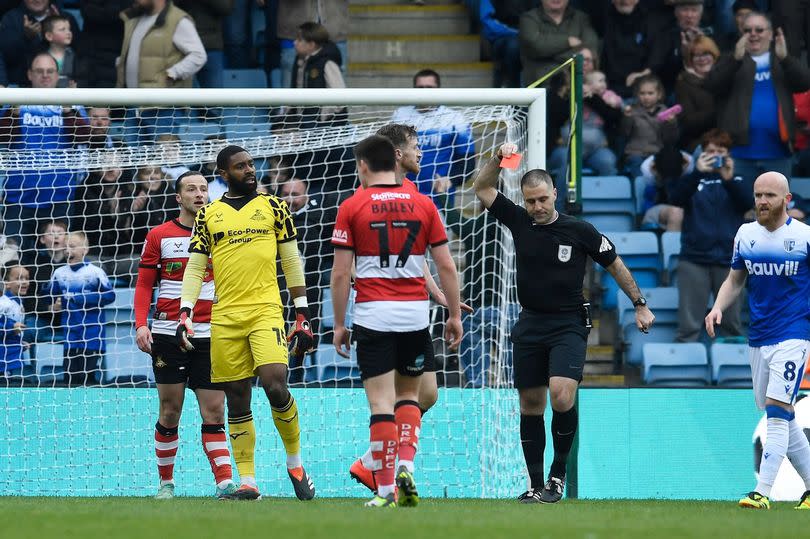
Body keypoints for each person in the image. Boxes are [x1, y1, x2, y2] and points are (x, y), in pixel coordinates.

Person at [472, 142, 655, 503]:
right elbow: (482, 187)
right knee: (530, 403)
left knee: (560, 393)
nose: (537, 207)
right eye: (530, 201)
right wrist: (498, 159)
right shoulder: (519, 220)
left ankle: (557, 477)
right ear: (523, 200)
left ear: (554, 194)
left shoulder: (581, 230)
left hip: (569, 322)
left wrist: (639, 304)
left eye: (542, 199)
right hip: (530, 323)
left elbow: (614, 264)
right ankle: (535, 484)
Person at [331, 134, 463, 507]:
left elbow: (341, 274)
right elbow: (446, 266)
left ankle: (386, 489)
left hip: (374, 315)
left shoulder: (353, 205)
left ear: (363, 165)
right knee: (409, 396)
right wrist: (452, 313)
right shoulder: (423, 204)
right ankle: (406, 465)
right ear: (396, 160)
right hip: (414, 316)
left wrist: (340, 324)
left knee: (381, 404)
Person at [179, 145, 316, 501]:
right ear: (224, 173)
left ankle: (295, 462)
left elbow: (290, 260)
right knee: (237, 399)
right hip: (225, 316)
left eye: (252, 165)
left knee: (274, 382)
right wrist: (185, 311)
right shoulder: (208, 214)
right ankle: (248, 481)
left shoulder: (275, 207)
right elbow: (195, 266)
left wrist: (302, 311)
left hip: (266, 311)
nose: (250, 170)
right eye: (241, 166)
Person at [705, 171, 810, 510]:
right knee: (780, 411)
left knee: (778, 410)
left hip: (794, 333)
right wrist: (718, 308)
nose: (763, 201)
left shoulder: (805, 238)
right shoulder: (746, 234)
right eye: (758, 195)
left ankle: (761, 492)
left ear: (787, 200)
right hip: (759, 336)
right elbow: (735, 280)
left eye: (770, 196)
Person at [134, 171, 236, 500]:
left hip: (212, 333)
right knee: (170, 410)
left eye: (203, 188)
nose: (198, 193)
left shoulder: (223, 234)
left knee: (215, 410)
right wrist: (140, 324)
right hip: (167, 333)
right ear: (179, 197)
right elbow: (145, 284)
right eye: (191, 189)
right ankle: (166, 483)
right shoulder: (159, 235)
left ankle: (224, 482)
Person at [0, 52, 89, 256]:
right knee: (13, 257)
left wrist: (68, 109)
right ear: (30, 74)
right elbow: (3, 136)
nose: (45, 76)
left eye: (50, 71)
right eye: (39, 71)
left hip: (59, 196)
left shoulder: (72, 101)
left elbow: (84, 137)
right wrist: (13, 111)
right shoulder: (15, 99)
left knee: (57, 258)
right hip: (18, 196)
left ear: (58, 75)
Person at [704, 11, 810, 181]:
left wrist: (786, 59)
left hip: (778, 153)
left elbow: (805, 83)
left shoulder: (782, 61)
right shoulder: (728, 59)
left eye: (759, 30)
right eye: (748, 30)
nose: (753, 34)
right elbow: (712, 86)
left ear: (771, 34)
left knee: (775, 207)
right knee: (741, 207)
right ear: (741, 33)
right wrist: (735, 60)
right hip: (737, 154)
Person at [668, 128, 749, 341]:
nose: (716, 156)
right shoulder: (691, 178)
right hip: (694, 258)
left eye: (720, 151)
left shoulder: (738, 178)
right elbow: (675, 198)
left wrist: (729, 180)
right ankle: (687, 371)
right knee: (688, 327)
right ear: (702, 153)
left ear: (728, 154)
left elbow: (748, 204)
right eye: (710, 151)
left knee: (732, 324)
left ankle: (732, 371)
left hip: (730, 261)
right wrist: (697, 173)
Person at [391, 69, 475, 209]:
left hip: (440, 197)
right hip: (404, 195)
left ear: (438, 89)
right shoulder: (400, 116)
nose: (425, 92)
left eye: (429, 88)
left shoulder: (455, 119)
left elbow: (468, 161)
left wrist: (451, 180)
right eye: (420, 88)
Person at [46, 231, 115, 386]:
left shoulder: (95, 272)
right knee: (70, 377)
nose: (68, 250)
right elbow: (48, 295)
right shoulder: (59, 273)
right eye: (66, 247)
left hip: (91, 332)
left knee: (88, 378)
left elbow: (110, 296)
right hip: (70, 332)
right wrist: (54, 305)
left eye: (73, 246)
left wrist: (81, 298)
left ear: (85, 250)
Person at [518, 0, 598, 86]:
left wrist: (550, 52)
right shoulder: (528, 19)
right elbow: (535, 46)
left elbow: (590, 46)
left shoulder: (581, 18)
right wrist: (567, 42)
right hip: (541, 84)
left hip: (579, 82)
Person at [0, 0, 79, 87]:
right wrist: (26, 38)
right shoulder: (11, 19)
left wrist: (59, 27)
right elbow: (8, 57)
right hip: (23, 89)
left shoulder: (66, 17)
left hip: (64, 91)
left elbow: (79, 52)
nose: (37, 0)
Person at [290, 21, 346, 129]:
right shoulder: (299, 61)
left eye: (299, 40)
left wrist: (323, 118)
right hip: (304, 123)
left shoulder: (327, 63)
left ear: (311, 44)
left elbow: (340, 98)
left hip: (325, 127)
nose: (294, 43)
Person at [621, 74, 678, 179]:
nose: (646, 97)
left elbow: (670, 139)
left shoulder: (665, 112)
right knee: (638, 168)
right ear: (637, 95)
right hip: (635, 152)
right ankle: (640, 190)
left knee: (662, 170)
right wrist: (627, 118)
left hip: (656, 153)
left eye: (650, 93)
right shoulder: (632, 110)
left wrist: (671, 123)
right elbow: (625, 133)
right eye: (642, 93)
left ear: (659, 95)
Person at [675, 35, 720, 151]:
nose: (702, 59)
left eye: (706, 54)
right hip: (699, 142)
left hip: (729, 139)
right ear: (691, 60)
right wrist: (718, 110)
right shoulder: (684, 84)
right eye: (696, 55)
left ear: (714, 56)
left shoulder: (724, 77)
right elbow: (689, 123)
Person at [75, 0, 131, 88]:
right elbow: (88, 11)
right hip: (89, 56)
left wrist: (104, 11)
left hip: (114, 57)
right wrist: (115, 13)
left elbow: (127, 12)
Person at [0, 264, 30, 378]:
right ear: (7, 283)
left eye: (26, 278)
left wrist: (20, 342)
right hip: (4, 359)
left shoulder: (19, 302)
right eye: (19, 278)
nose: (24, 282)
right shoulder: (3, 303)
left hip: (14, 356)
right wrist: (11, 327)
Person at [41, 14, 75, 87]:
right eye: (62, 29)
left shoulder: (75, 56)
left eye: (69, 29)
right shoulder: (41, 58)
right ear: (49, 36)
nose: (68, 32)